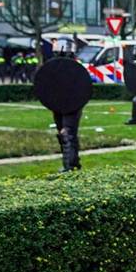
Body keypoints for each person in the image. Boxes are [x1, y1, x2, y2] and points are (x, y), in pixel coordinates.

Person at [51, 36, 83, 171]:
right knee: (63, 133)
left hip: (73, 104)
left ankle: (68, 165)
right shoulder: (54, 65)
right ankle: (74, 161)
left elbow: (82, 86)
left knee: (67, 133)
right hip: (57, 103)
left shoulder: (76, 65)